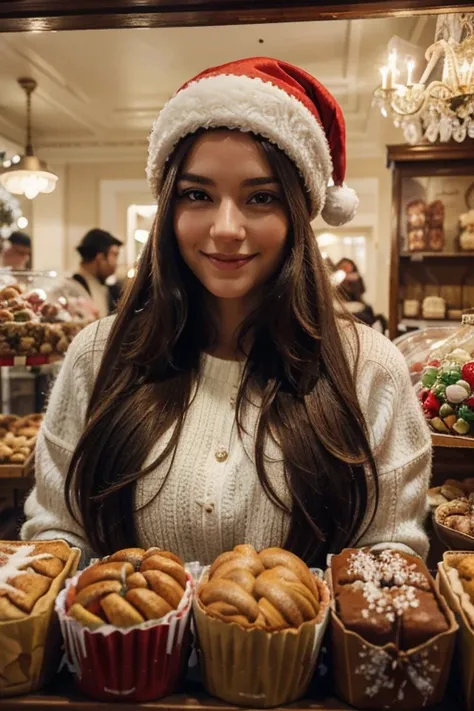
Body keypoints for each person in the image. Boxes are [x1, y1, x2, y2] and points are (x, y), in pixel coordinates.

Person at [21, 58, 431, 568]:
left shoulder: (368, 368)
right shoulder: (99, 354)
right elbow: (57, 533)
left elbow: (389, 556)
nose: (226, 228)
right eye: (198, 195)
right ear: (169, 209)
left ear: (299, 218)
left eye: (260, 198)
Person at [72, 228, 123, 318]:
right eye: (115, 255)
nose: (116, 263)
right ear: (100, 257)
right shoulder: (74, 288)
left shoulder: (105, 287)